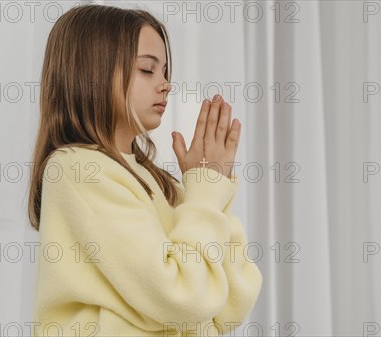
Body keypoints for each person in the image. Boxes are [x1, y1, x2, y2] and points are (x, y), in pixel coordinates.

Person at [27, 4, 262, 336]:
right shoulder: (78, 170)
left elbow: (230, 304)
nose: (165, 84)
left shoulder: (162, 184)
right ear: (91, 72)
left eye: (165, 71)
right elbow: (183, 299)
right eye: (147, 70)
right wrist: (206, 191)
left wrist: (213, 187)